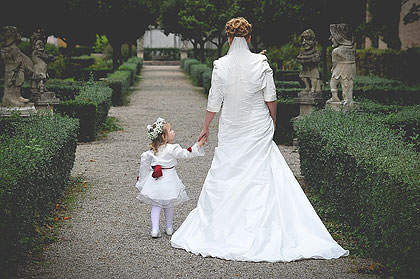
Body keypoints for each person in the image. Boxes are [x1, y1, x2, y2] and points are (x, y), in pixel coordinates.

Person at [170, 17, 349, 262]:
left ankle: (226, 224)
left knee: (228, 170)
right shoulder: (260, 62)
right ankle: (267, 223)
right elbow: (270, 97)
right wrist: (272, 121)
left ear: (229, 38)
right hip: (256, 124)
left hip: (232, 124)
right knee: (262, 171)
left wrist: (205, 128)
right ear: (250, 38)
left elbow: (214, 101)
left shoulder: (220, 65)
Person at [135, 117, 206, 238]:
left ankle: (155, 229)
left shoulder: (152, 151)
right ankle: (168, 227)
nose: (173, 131)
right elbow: (185, 153)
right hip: (169, 180)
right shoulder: (172, 148)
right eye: (171, 130)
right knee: (168, 205)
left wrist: (143, 180)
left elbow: (144, 165)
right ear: (163, 136)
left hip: (155, 181)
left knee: (156, 205)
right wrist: (197, 145)